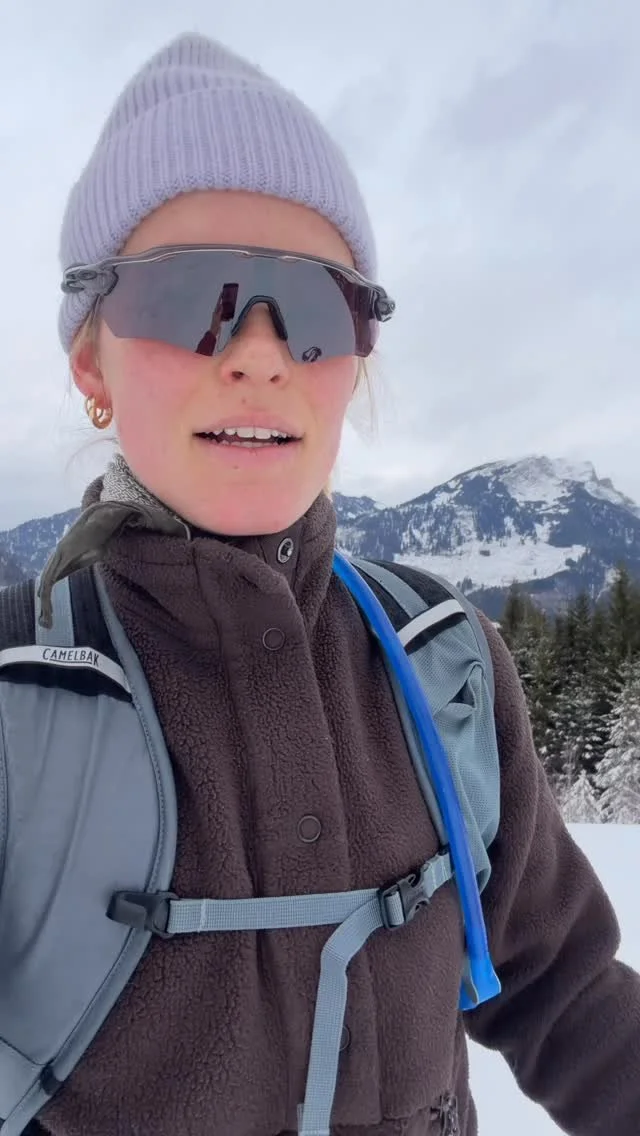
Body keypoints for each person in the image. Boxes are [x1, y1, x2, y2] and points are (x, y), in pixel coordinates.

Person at [14, 32, 640, 1136]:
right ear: (89, 360)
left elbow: (566, 992)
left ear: (356, 358)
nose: (257, 353)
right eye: (189, 297)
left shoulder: (441, 662)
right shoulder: (22, 699)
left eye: (314, 311)